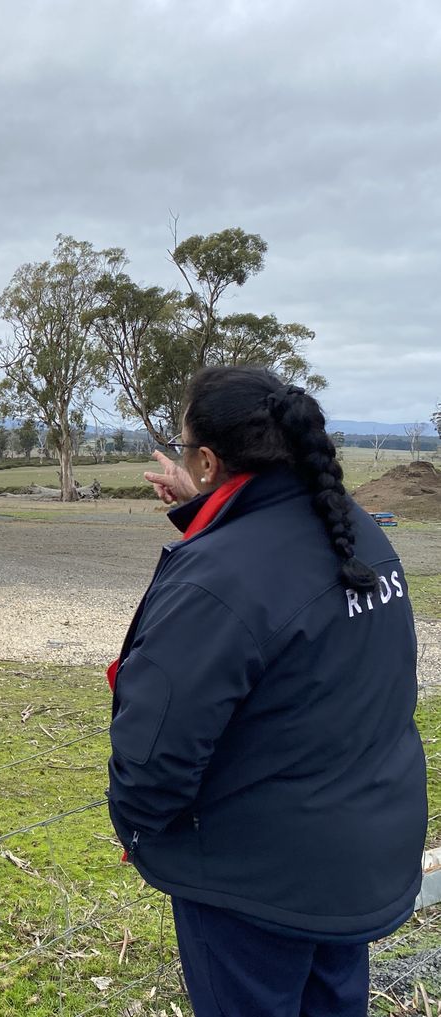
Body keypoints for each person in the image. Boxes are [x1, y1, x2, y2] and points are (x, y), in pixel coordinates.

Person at [107, 366, 426, 1017]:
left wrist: (138, 826)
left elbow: (157, 755)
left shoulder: (217, 579)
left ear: (206, 457)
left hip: (251, 882)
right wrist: (202, 503)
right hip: (348, 864)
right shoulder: (357, 532)